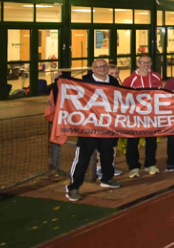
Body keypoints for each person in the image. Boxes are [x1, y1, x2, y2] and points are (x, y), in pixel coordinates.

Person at [66, 59, 122, 201]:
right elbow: (67, 93)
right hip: (89, 128)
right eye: (98, 66)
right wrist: (57, 81)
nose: (101, 68)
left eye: (104, 66)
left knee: (108, 155)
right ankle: (73, 188)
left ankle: (107, 178)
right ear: (93, 69)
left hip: (107, 127)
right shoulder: (84, 82)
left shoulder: (113, 82)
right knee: (82, 158)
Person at [122, 56, 163, 177]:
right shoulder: (129, 80)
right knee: (132, 142)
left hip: (151, 116)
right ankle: (134, 167)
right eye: (143, 62)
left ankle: (150, 164)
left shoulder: (157, 77)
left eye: (148, 62)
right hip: (135, 117)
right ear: (138, 64)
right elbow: (123, 97)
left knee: (152, 141)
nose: (146, 64)